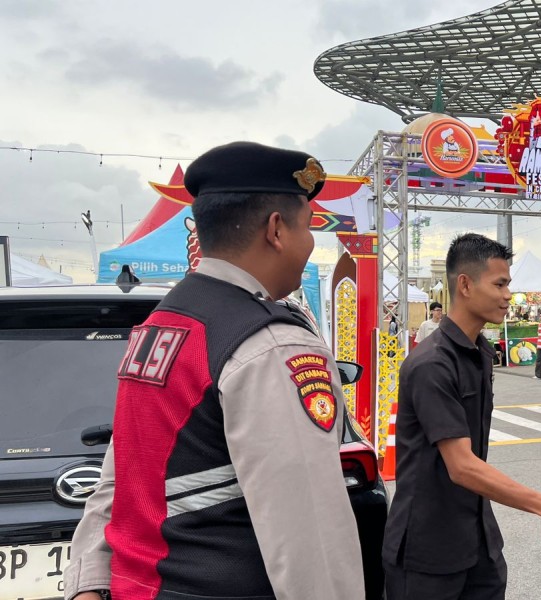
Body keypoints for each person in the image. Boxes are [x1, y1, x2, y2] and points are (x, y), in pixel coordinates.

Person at [64, 142, 366, 599]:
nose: (310, 244)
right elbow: (310, 535)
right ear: (277, 229)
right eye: (308, 228)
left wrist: (87, 583)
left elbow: (122, 477)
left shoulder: (160, 325)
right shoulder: (272, 344)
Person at [383, 233, 541, 600]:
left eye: (508, 284)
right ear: (465, 285)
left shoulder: (480, 351)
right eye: (499, 284)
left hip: (478, 539)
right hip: (428, 549)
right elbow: (462, 466)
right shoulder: (431, 363)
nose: (508, 295)